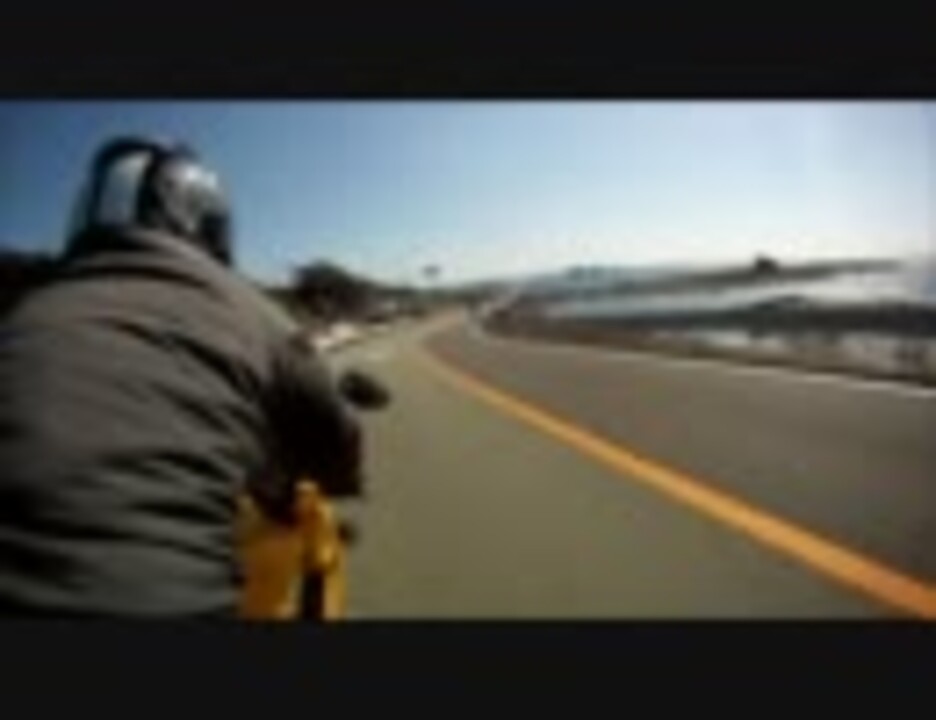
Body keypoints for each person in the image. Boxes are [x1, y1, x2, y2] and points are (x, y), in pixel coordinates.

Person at [0, 136, 363, 617]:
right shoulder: (252, 312)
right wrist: (345, 478)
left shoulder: (22, 316)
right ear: (206, 219)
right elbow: (336, 441)